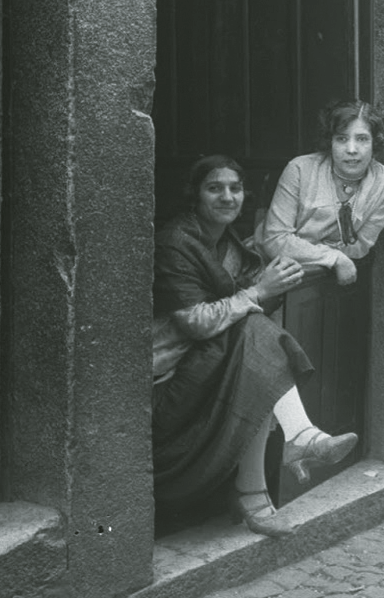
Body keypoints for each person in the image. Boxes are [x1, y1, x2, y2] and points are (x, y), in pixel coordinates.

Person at [153, 155, 358, 535]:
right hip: (166, 383)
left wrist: (273, 283)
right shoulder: (175, 243)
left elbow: (252, 295)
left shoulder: (229, 241)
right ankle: (297, 441)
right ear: (195, 195)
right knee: (254, 335)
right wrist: (260, 289)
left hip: (206, 365)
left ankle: (263, 483)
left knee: (257, 350)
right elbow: (195, 322)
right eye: (214, 188)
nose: (227, 197)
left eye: (235, 188)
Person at [258, 100, 384, 286]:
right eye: (341, 138)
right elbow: (275, 239)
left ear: (375, 142)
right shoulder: (300, 169)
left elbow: (361, 245)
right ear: (330, 141)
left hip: (331, 277)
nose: (351, 149)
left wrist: (313, 254)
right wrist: (334, 257)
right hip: (269, 270)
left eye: (362, 139)